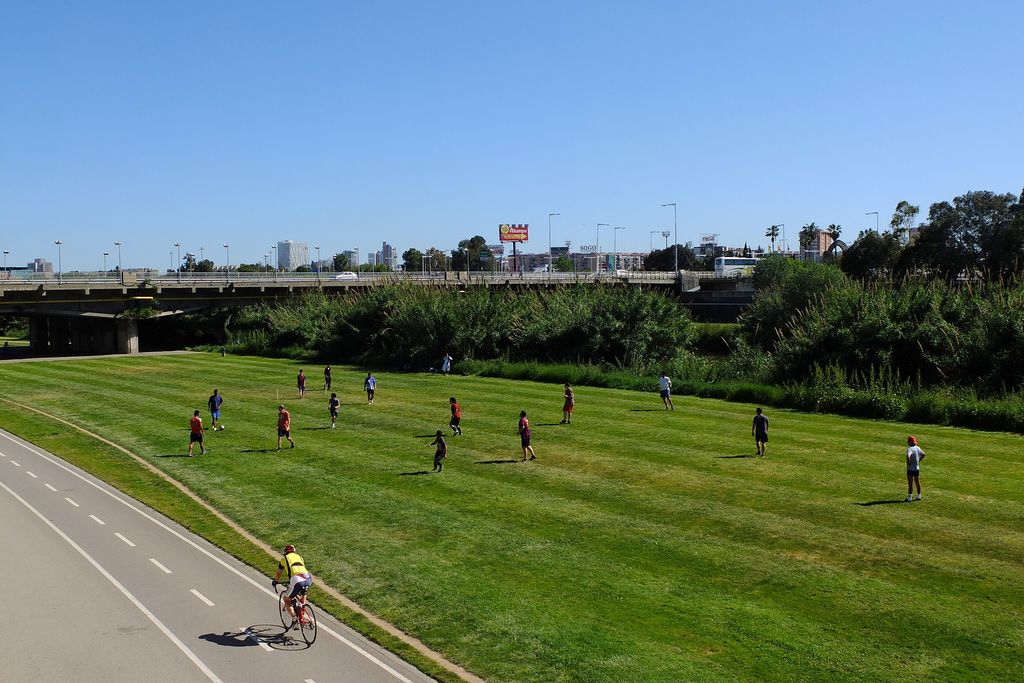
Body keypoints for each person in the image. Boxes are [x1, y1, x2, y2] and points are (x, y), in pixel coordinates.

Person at [272, 544, 313, 626]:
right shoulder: (300, 557)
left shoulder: (284, 559)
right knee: (303, 592)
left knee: (287, 600)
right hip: (307, 577)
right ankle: (303, 609)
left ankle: (294, 618)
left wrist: (275, 581)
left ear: (285, 552)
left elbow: (279, 572)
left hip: (296, 579)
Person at [905, 435, 926, 502]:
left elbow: (908, 456)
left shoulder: (909, 449)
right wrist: (918, 461)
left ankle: (910, 498)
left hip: (910, 469)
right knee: (917, 482)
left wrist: (909, 462)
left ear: (910, 442)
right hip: (917, 469)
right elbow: (923, 455)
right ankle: (919, 496)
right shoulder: (917, 448)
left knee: (910, 483)